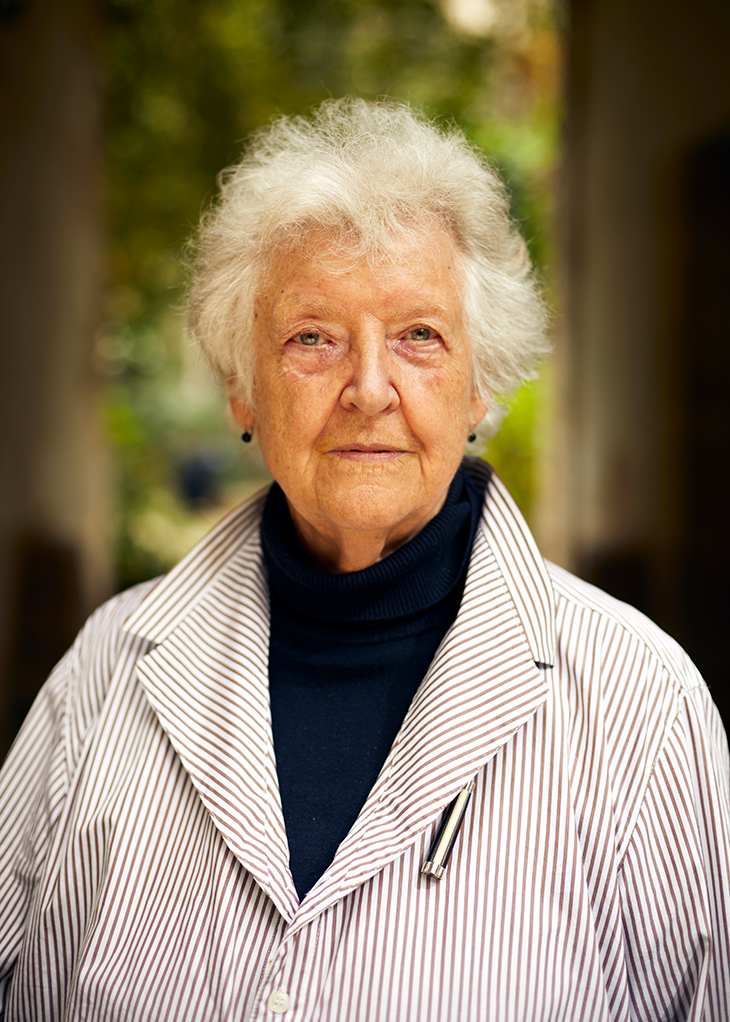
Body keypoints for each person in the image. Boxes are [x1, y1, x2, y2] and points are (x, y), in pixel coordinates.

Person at [0, 98, 728, 1022]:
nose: (371, 390)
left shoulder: (639, 702)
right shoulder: (108, 672)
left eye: (420, 336)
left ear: (479, 385)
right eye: (313, 338)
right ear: (240, 388)